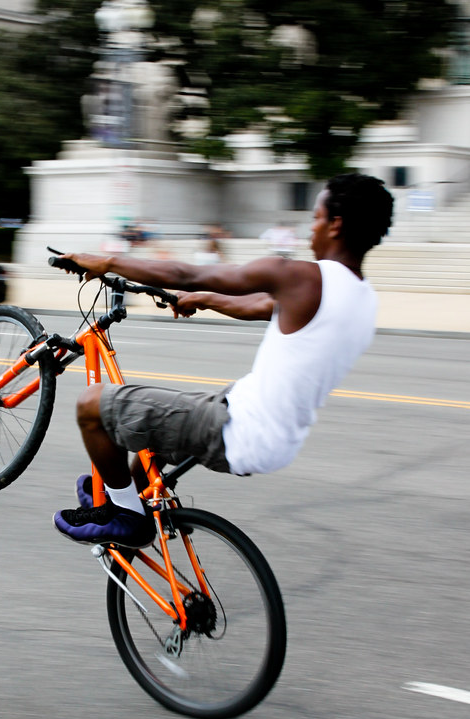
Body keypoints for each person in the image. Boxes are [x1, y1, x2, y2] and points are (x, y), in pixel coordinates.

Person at [53, 173, 394, 549]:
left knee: (91, 405)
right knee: (156, 445)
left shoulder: (301, 276)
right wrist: (205, 299)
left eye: (314, 218)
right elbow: (266, 307)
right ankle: (131, 495)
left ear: (336, 225)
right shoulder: (364, 299)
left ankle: (125, 517)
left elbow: (187, 271)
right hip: (273, 438)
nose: (309, 229)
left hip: (236, 429)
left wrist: (107, 262)